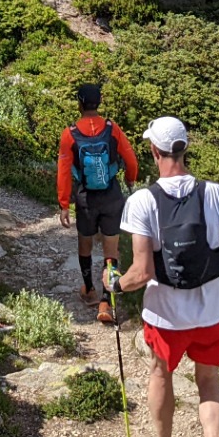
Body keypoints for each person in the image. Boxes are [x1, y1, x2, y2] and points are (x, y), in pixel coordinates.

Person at [107, 115, 219, 437]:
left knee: (160, 374)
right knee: (209, 381)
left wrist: (115, 285)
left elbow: (141, 272)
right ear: (184, 149)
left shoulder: (142, 201)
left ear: (154, 151)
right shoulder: (214, 193)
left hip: (165, 315)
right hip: (211, 312)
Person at [56, 82, 140, 323]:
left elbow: (63, 171)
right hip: (112, 196)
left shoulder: (70, 134)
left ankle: (89, 290)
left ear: (80, 104)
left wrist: (64, 204)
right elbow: (131, 160)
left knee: (85, 244)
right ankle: (106, 301)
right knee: (110, 251)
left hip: (86, 199)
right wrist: (131, 179)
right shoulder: (112, 129)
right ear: (99, 102)